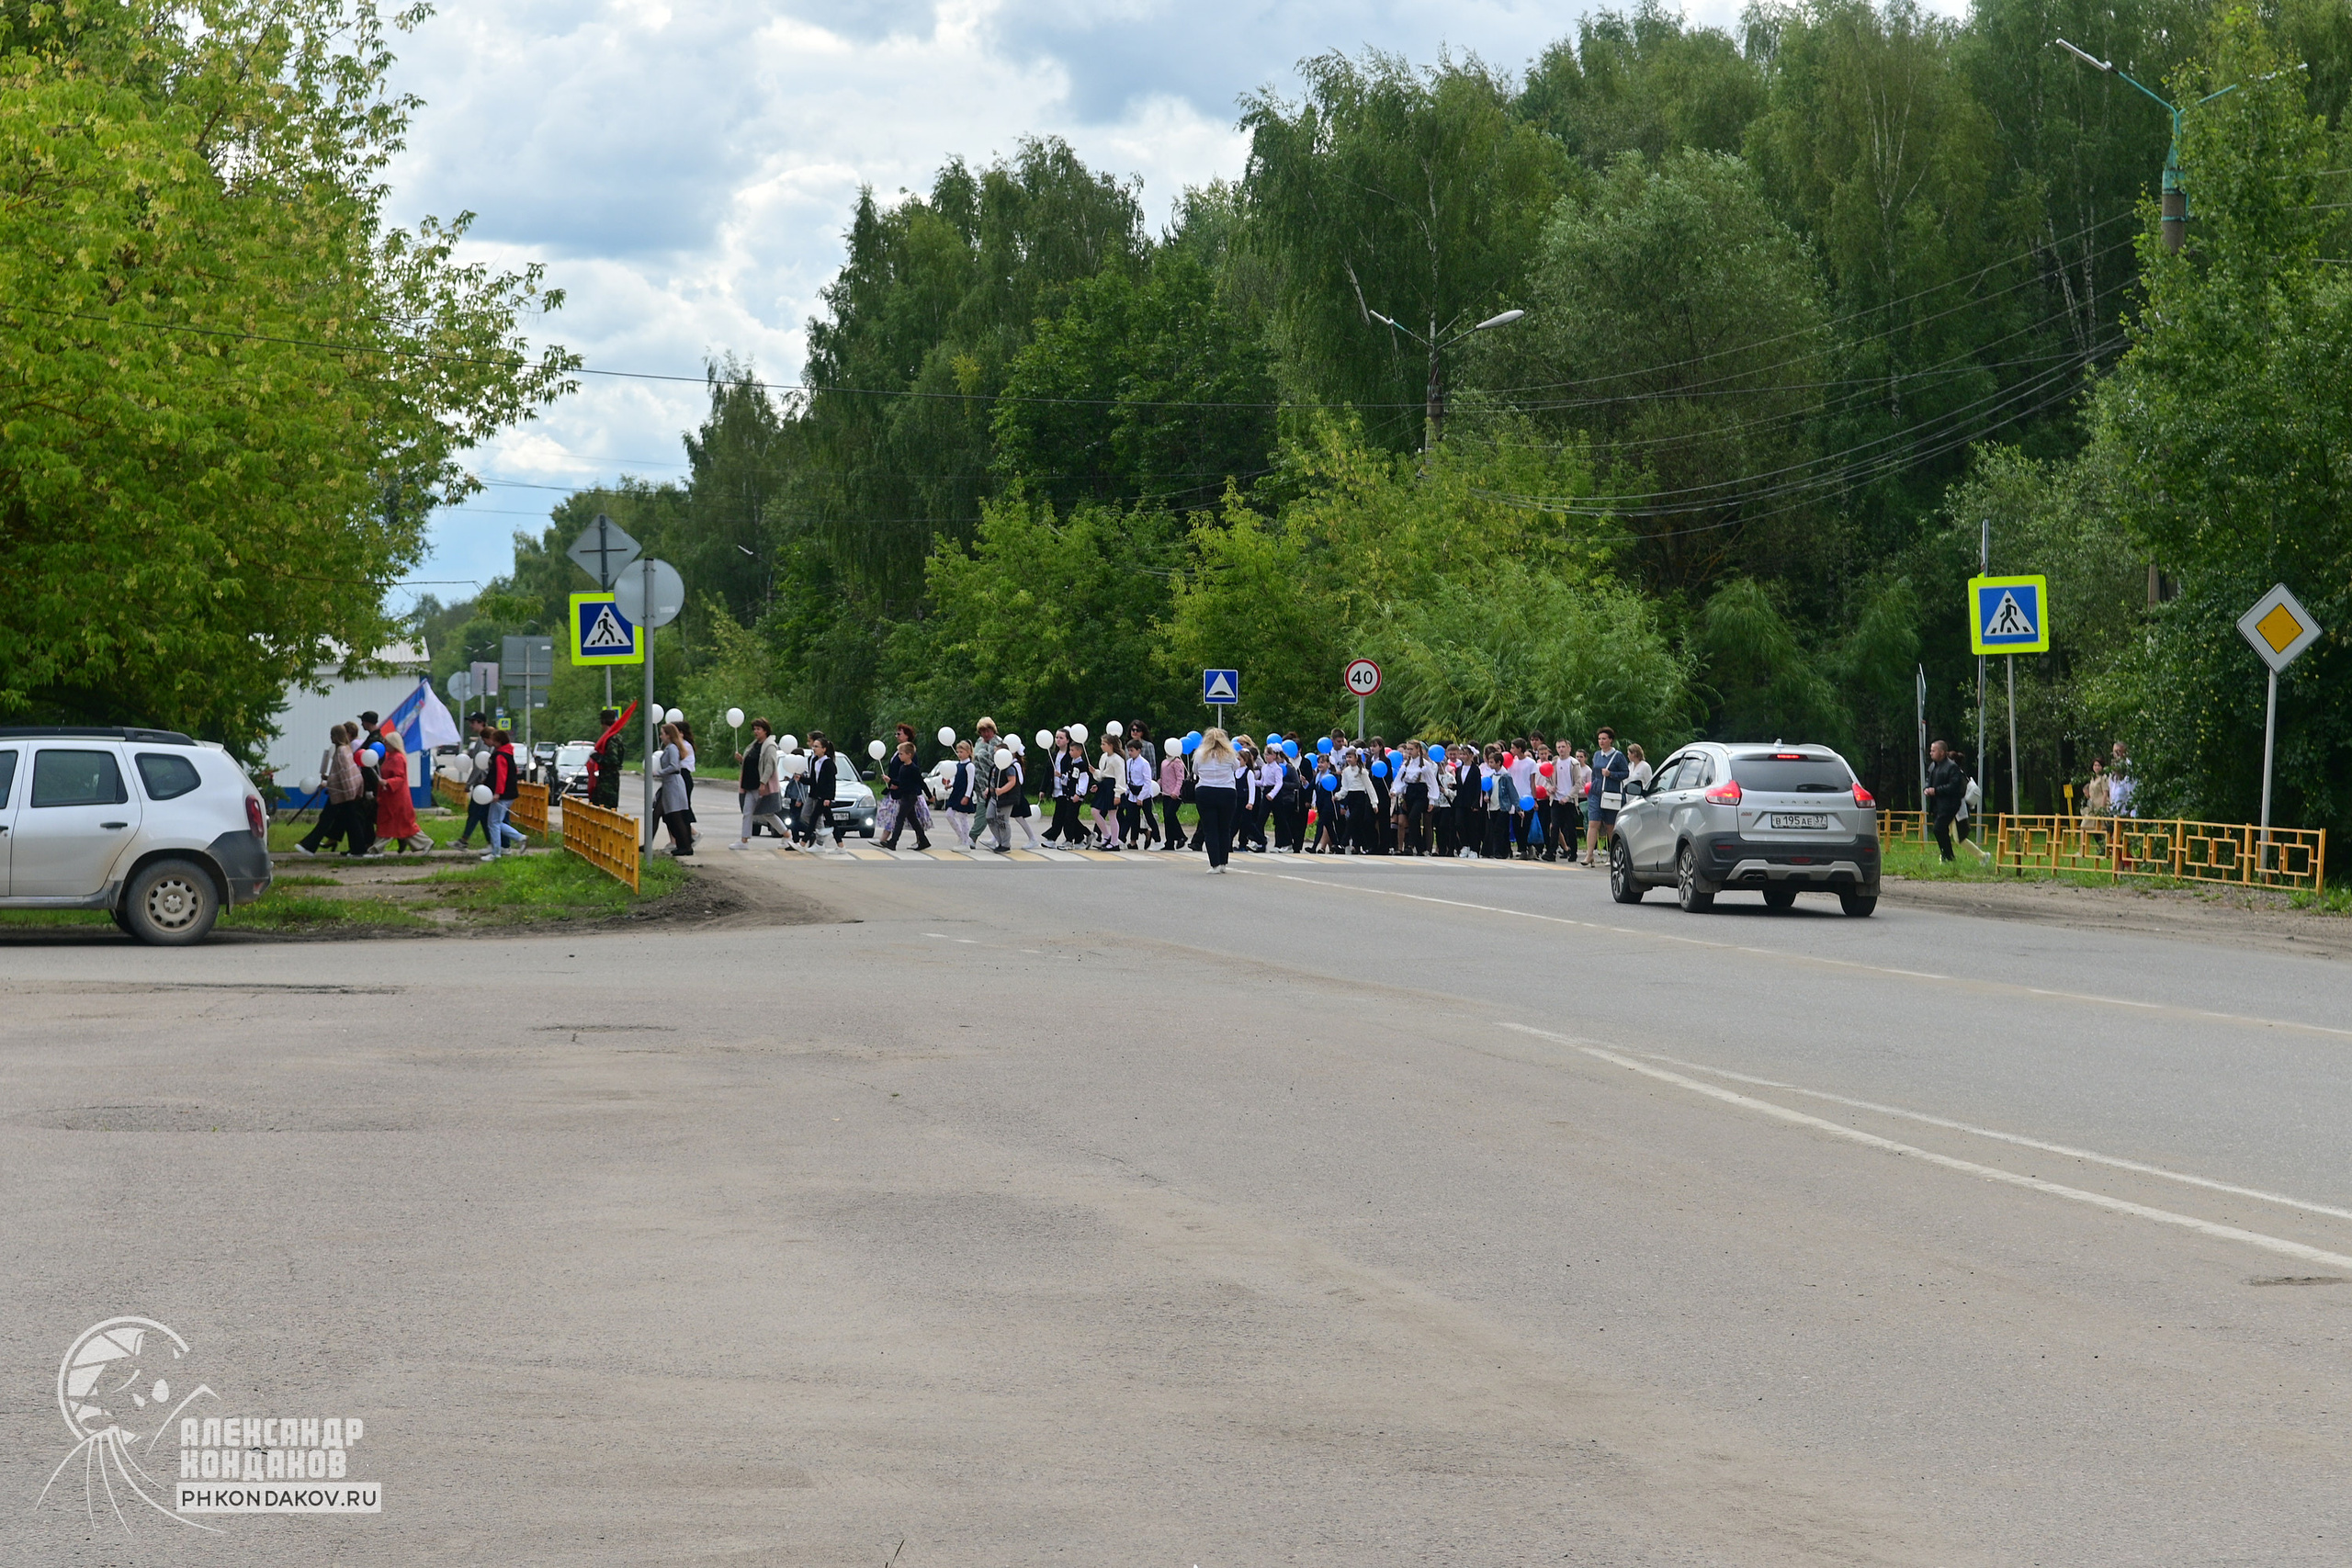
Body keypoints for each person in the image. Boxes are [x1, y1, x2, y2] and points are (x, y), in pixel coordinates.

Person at [294, 724, 353, 855]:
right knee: (335, 819)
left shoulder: (341, 752)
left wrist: (328, 782)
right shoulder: (346, 749)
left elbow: (344, 774)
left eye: (332, 735)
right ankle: (312, 845)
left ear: (336, 736)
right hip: (340, 791)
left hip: (338, 793)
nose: (330, 738)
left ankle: (310, 845)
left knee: (326, 819)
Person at [370, 728, 433, 852]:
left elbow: (400, 777)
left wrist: (387, 782)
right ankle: (424, 843)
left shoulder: (397, 758)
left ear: (393, 744)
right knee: (403, 825)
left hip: (396, 799)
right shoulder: (393, 757)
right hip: (392, 797)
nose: (385, 745)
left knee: (392, 824)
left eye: (387, 743)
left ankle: (376, 849)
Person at [1193, 727, 1242, 873]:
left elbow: (1196, 770)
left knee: (1210, 829)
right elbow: (1236, 767)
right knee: (1224, 828)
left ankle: (1214, 863)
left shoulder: (1200, 754)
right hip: (1227, 792)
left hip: (1205, 791)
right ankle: (1223, 863)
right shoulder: (1229, 754)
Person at [731, 719, 785, 847]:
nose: (755, 732)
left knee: (767, 813)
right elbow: (753, 763)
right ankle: (744, 840)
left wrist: (763, 782)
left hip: (760, 785)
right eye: (754, 729)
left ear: (765, 730)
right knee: (747, 812)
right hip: (749, 784)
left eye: (758, 729)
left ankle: (787, 834)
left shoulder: (769, 746)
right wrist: (742, 760)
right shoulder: (754, 745)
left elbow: (769, 765)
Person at [481, 728, 530, 860]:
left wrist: (497, 793)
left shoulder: (500, 755)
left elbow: (501, 776)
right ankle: (519, 838)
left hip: (502, 794)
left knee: (493, 823)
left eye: (494, 740)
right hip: (509, 793)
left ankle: (496, 852)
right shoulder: (508, 753)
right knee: (495, 822)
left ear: (498, 741)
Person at [879, 736, 933, 851]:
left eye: (901, 754)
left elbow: (921, 782)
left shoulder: (913, 768)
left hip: (910, 797)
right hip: (904, 796)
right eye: (899, 754)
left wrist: (930, 796)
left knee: (899, 819)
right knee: (913, 820)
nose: (899, 756)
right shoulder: (903, 768)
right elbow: (901, 783)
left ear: (909, 755)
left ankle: (893, 842)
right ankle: (923, 841)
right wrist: (890, 781)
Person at [1585, 728, 1627, 867]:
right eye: (1599, 739)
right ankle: (1589, 854)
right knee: (1593, 823)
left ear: (1610, 740)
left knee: (1610, 826)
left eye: (1604, 739)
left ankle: (1613, 855)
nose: (1601, 741)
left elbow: (1626, 773)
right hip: (1596, 793)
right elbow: (1594, 773)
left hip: (1610, 794)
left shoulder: (1618, 756)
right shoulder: (1597, 755)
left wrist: (1611, 774)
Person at [651, 721, 694, 855]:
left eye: (662, 734)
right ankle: (682, 845)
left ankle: (686, 846)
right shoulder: (669, 748)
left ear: (669, 735)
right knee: (660, 814)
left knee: (676, 815)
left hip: (673, 784)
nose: (660, 737)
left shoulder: (672, 748)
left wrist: (659, 773)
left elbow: (674, 766)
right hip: (668, 784)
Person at [1924, 739, 1967, 862]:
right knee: (1941, 830)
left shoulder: (1952, 767)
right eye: (1930, 751)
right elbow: (1929, 780)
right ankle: (1948, 855)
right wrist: (1926, 789)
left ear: (1942, 752)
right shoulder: (1933, 766)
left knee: (1938, 828)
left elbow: (1954, 786)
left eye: (1933, 751)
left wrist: (1936, 790)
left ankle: (1947, 856)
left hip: (1950, 804)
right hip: (1936, 804)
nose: (1931, 753)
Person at [803, 732, 842, 848]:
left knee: (814, 819)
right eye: (813, 746)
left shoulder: (828, 763)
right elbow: (814, 781)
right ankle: (841, 845)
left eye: (816, 746)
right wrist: (801, 779)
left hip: (823, 797)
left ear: (824, 749)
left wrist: (829, 798)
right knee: (830, 821)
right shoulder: (816, 762)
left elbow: (831, 783)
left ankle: (804, 843)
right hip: (819, 795)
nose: (813, 748)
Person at [589, 707, 625, 810]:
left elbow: (612, 760)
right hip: (611, 779)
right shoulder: (617, 737)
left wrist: (596, 756)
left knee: (605, 809)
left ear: (603, 722)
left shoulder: (611, 739)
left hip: (608, 781)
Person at [1159, 741, 1190, 851]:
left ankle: (1181, 836)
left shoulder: (1177, 762)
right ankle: (1169, 842)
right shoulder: (1164, 762)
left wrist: (1176, 792)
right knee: (1167, 818)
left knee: (1170, 815)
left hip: (1175, 795)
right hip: (1166, 793)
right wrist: (1158, 786)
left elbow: (1180, 778)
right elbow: (1162, 778)